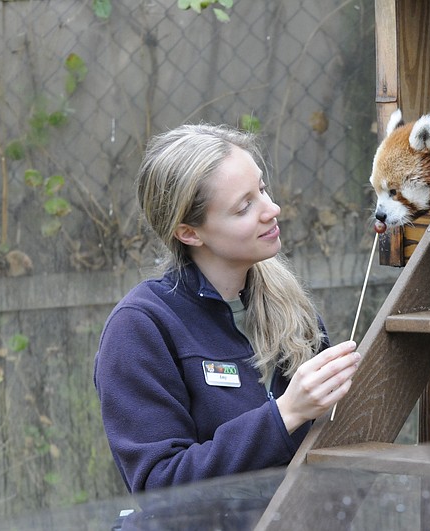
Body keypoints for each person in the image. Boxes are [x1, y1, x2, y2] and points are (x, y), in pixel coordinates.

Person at [94, 123, 361, 496]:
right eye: (244, 206)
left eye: (262, 189)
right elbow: (161, 486)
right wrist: (285, 415)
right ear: (189, 233)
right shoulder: (140, 328)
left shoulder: (289, 307)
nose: (273, 209)